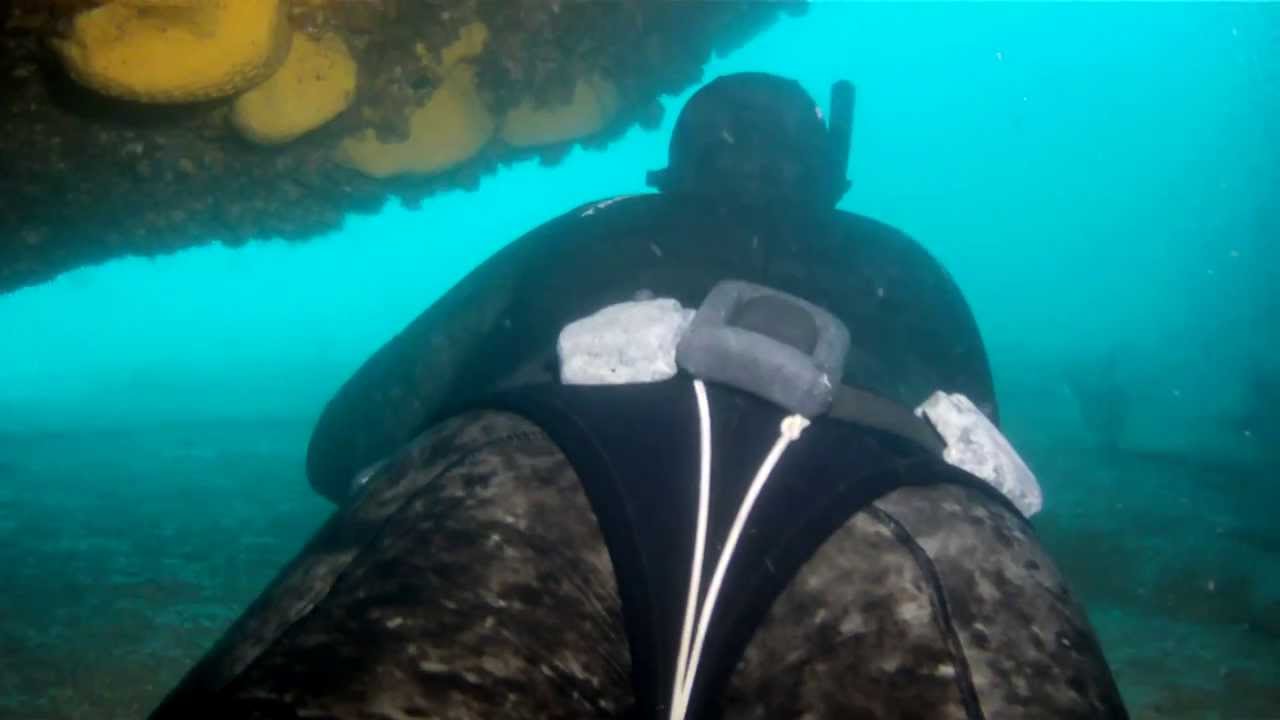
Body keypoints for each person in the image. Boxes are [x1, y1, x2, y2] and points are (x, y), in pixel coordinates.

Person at [148, 73, 1129, 719]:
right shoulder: (904, 263)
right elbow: (992, 469)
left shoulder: (588, 226)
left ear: (671, 161)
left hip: (537, 463)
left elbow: (346, 442)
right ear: (828, 171)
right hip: (896, 500)